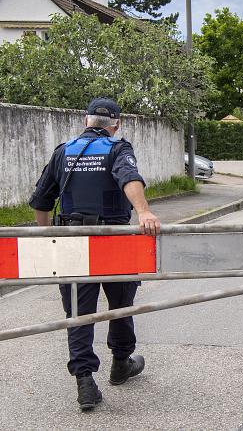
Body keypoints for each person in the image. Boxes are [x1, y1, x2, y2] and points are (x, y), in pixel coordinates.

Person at [28, 97, 161, 411]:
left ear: (85, 121)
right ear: (116, 124)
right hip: (112, 241)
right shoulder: (118, 148)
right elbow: (129, 178)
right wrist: (144, 212)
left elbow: (40, 202)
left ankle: (85, 383)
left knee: (79, 311)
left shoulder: (63, 151)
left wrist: (49, 237)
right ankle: (120, 363)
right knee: (120, 304)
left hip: (72, 240)